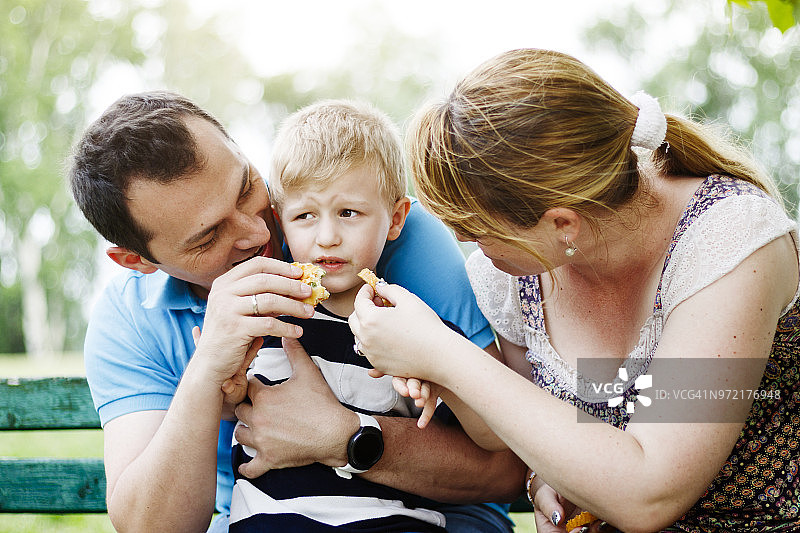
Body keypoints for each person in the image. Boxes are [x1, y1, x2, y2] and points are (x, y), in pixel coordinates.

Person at [349, 48, 800, 533]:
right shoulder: (513, 274)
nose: (463, 243)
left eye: (476, 228)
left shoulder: (727, 242)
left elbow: (649, 493)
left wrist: (442, 354)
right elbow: (522, 429)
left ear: (562, 223)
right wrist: (544, 483)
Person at [68, 91, 525, 533]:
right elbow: (152, 527)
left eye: (247, 187)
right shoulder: (128, 316)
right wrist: (207, 369)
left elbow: (506, 465)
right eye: (207, 238)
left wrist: (346, 437)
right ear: (138, 261)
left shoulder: (378, 234)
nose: (255, 232)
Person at [229, 98, 483, 531]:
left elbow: (487, 438)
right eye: (305, 215)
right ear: (280, 223)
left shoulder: (412, 324)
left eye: (349, 213)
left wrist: (437, 374)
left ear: (396, 218)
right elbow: (228, 406)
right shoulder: (262, 316)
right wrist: (223, 384)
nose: (327, 237)